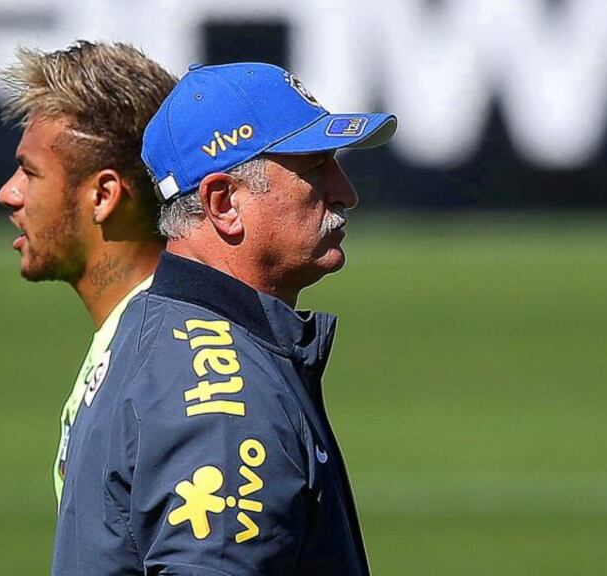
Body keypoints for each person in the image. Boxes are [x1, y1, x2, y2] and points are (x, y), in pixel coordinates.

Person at [52, 61, 396, 575]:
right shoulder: (224, 409)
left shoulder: (150, 326)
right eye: (315, 166)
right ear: (223, 202)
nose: (346, 192)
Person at [0, 41, 176, 506]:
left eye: (28, 173)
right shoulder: (134, 337)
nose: (8, 194)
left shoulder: (165, 365)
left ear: (103, 196)